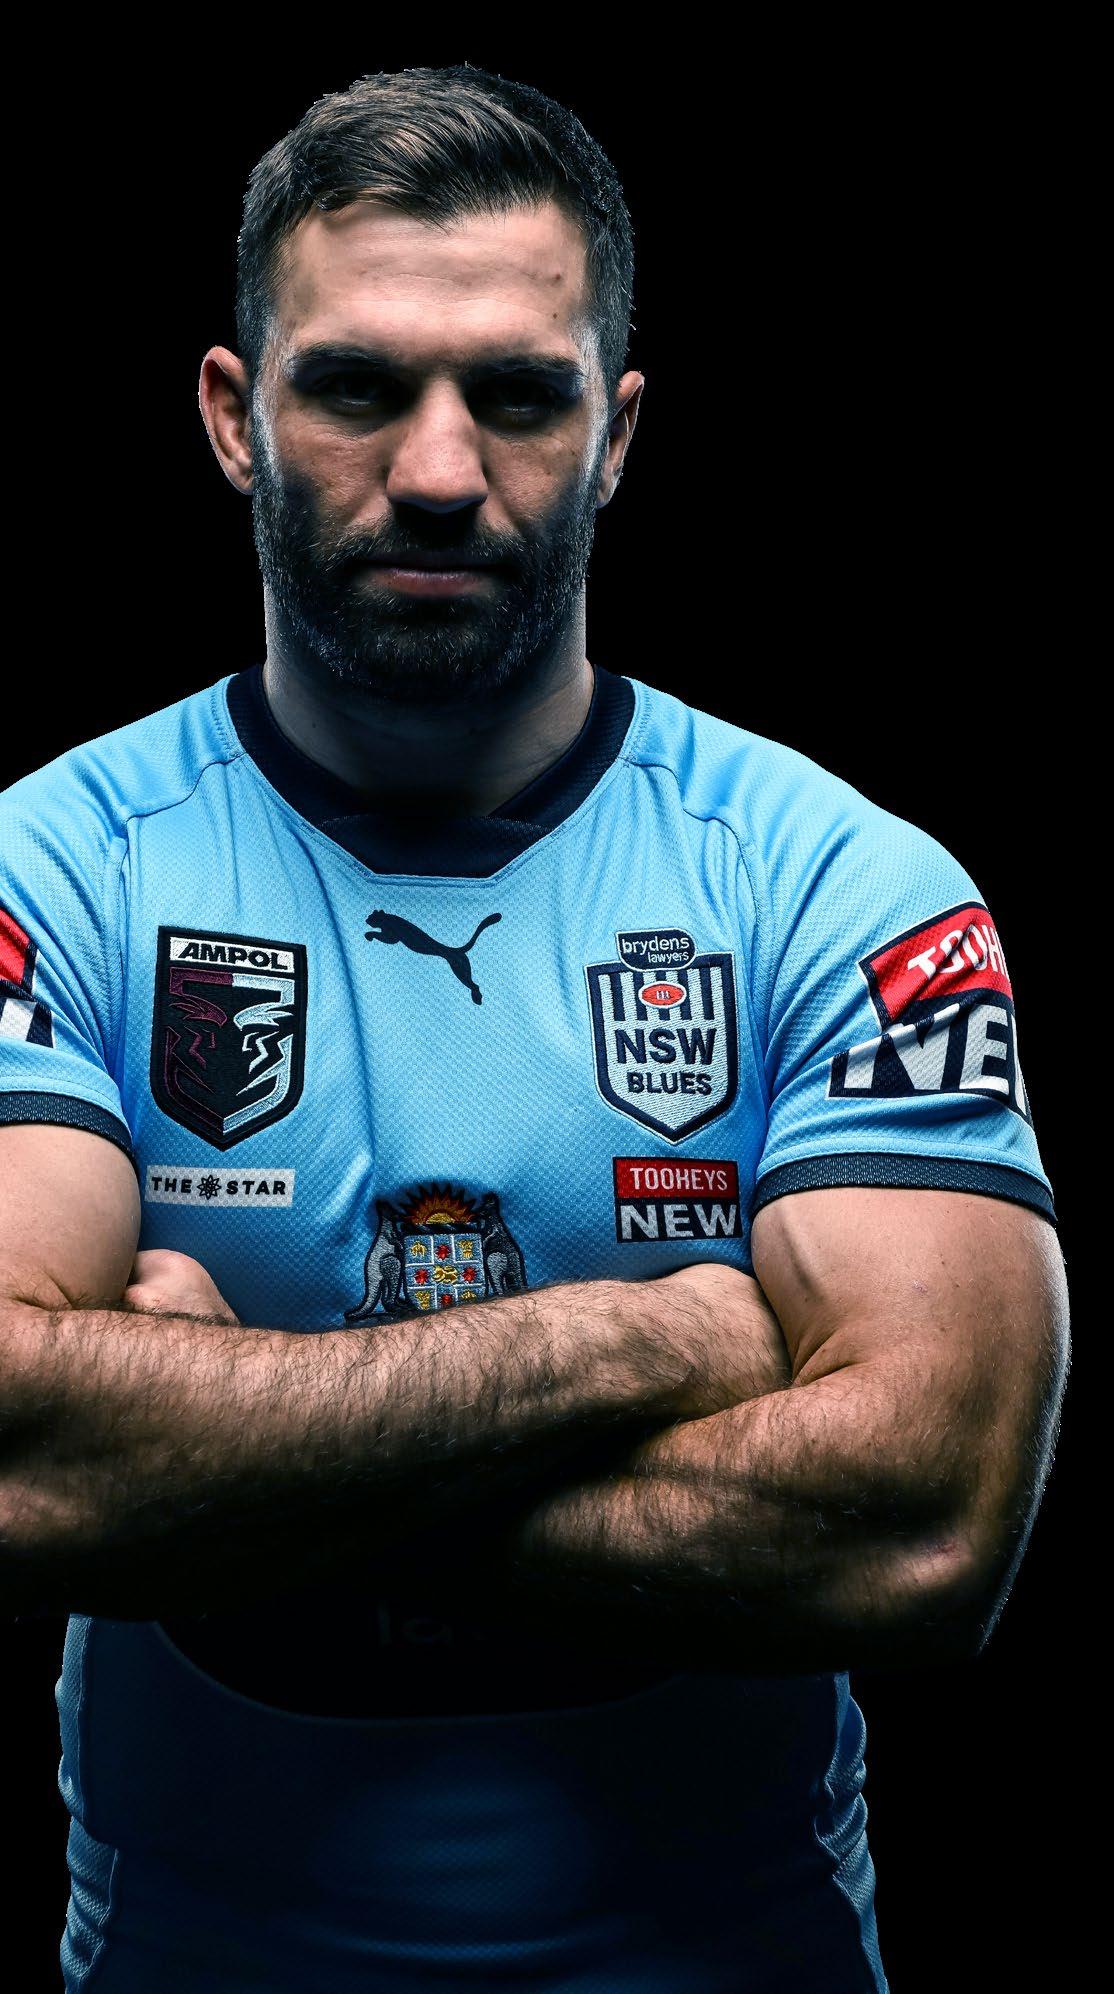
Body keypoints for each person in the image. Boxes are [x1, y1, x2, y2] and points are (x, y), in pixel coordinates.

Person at [0, 64, 1068, 1994]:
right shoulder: (53, 869)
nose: (435, 469)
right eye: (354, 387)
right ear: (234, 417)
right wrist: (639, 1339)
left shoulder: (838, 886)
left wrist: (227, 1452)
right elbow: (17, 1471)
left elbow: (923, 1531)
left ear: (615, 431)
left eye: (515, 393)